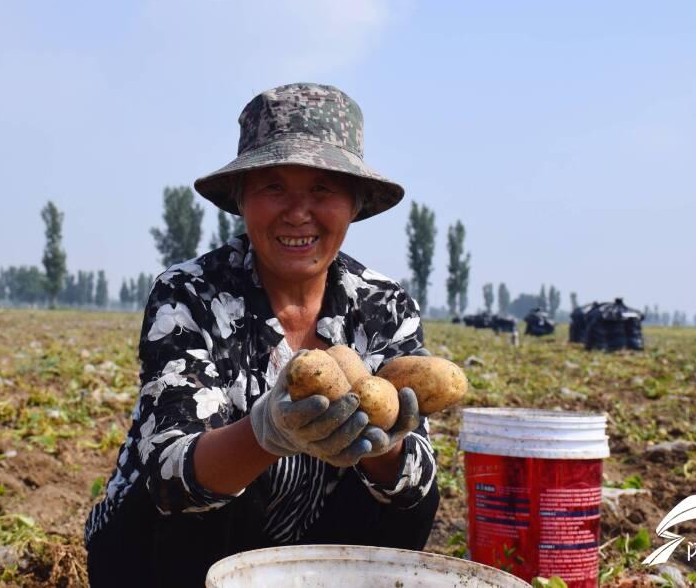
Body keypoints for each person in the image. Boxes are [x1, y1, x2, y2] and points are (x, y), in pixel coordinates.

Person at [84, 83, 440, 587]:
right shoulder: (189, 294)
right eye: (273, 187)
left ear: (355, 203)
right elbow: (170, 478)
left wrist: (382, 444)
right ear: (241, 198)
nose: (298, 212)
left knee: (411, 494)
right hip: (160, 554)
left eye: (323, 189)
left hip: (299, 557)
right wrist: (268, 431)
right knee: (228, 486)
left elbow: (415, 483)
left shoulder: (384, 305)